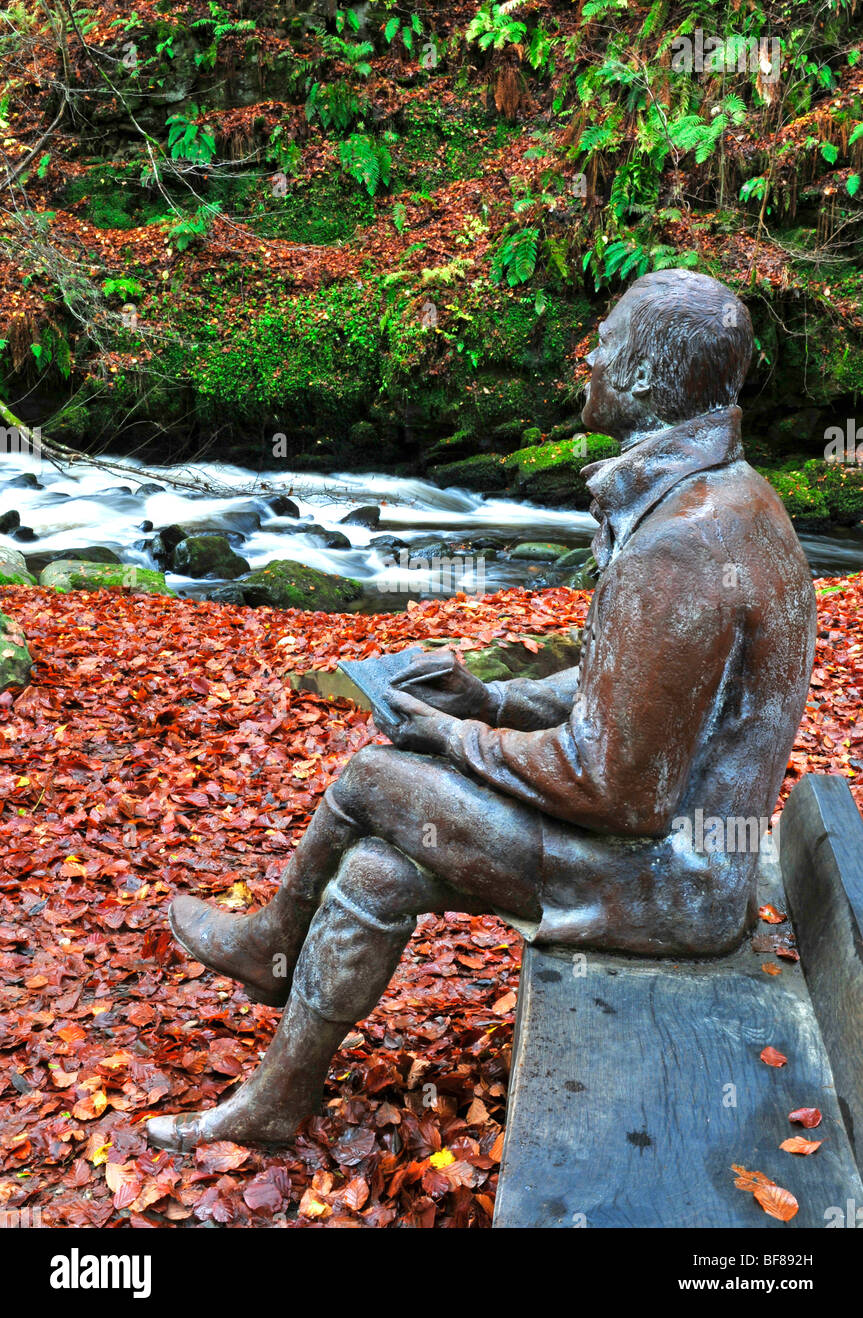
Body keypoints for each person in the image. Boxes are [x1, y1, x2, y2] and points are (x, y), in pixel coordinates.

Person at [146, 270, 816, 1149]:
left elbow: (615, 791)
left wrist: (452, 735)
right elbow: (620, 694)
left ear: (649, 382)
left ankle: (271, 944)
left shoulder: (685, 545)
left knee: (374, 777)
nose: (589, 356)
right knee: (377, 873)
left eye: (605, 340)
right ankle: (274, 1101)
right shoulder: (715, 500)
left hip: (668, 881)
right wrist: (493, 699)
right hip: (676, 858)